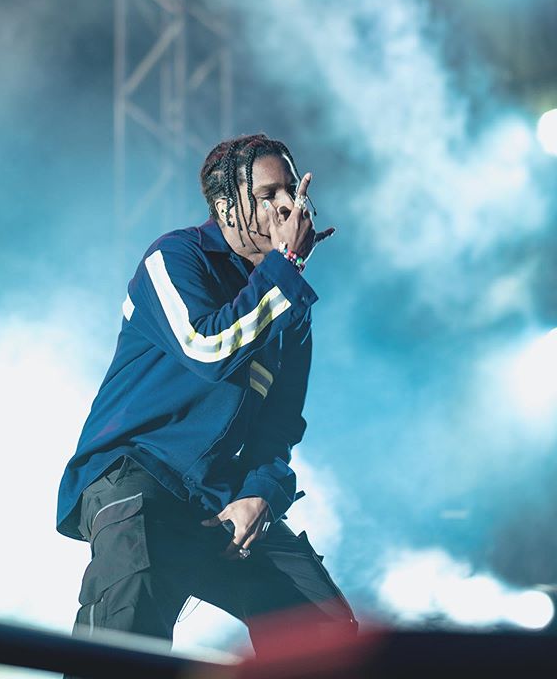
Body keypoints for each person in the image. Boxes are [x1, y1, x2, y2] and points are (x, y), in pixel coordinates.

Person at [57, 134, 358, 653]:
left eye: (292, 190)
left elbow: (281, 425)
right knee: (128, 631)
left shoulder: (290, 305)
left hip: (218, 497)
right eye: (269, 195)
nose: (289, 206)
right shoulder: (175, 257)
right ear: (225, 207)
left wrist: (261, 492)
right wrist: (285, 267)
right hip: (136, 476)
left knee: (325, 633)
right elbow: (209, 349)